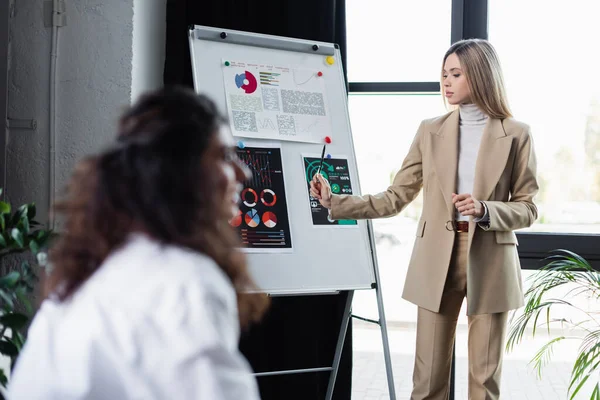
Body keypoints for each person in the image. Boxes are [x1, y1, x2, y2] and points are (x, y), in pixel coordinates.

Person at [311, 39, 538, 400]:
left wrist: (484, 209)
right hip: (437, 258)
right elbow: (395, 197)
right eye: (443, 74)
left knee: (485, 382)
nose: (445, 82)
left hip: (491, 259)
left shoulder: (517, 134)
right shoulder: (430, 130)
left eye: (456, 74)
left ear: (480, 76)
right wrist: (335, 202)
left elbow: (528, 207)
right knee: (428, 380)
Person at [8, 86, 269, 399]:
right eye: (225, 156)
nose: (244, 173)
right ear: (179, 172)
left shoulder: (88, 270)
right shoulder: (187, 281)